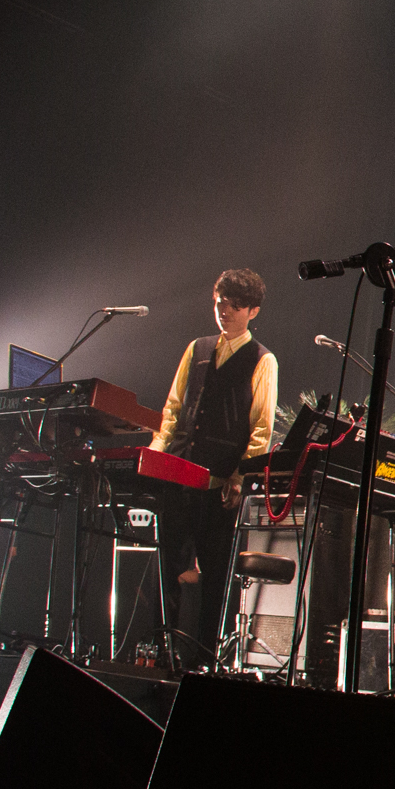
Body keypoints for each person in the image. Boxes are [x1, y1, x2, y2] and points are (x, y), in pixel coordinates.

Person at [150, 268, 278, 660]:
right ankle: (160, 652)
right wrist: (156, 455)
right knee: (167, 567)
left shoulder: (262, 360)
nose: (225, 312)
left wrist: (239, 477)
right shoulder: (197, 348)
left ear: (252, 311)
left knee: (216, 579)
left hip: (219, 485)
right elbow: (173, 409)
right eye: (221, 303)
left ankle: (206, 660)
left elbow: (261, 429)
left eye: (235, 306)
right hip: (179, 474)